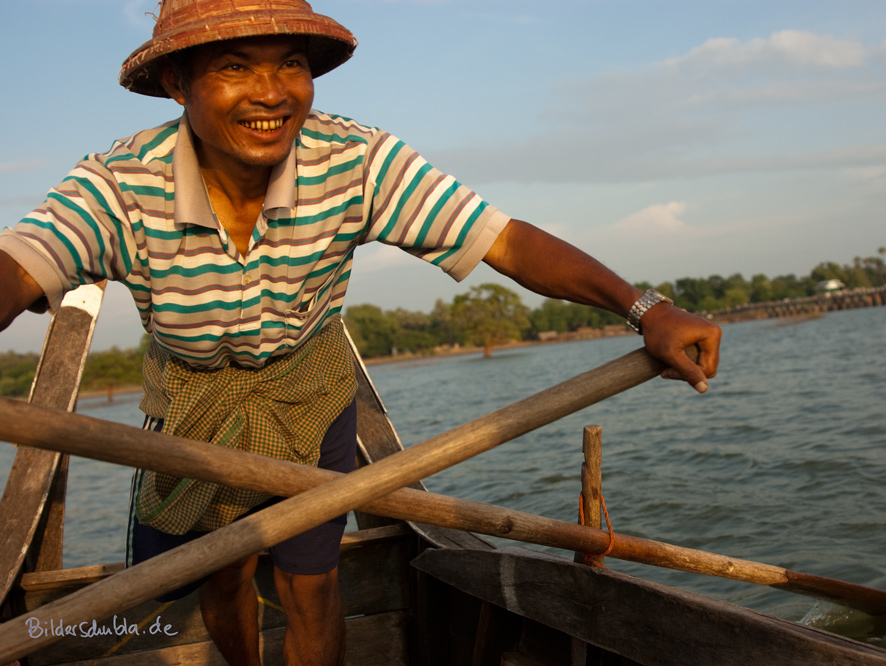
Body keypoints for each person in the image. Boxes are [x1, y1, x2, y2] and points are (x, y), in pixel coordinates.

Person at [0, 1, 721, 664]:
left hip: (308, 391)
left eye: (291, 63)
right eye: (233, 67)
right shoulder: (119, 183)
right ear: (176, 82)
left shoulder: (355, 161)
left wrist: (645, 310)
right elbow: (20, 265)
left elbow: (505, 241)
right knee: (220, 579)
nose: (272, 92)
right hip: (193, 409)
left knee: (312, 585)